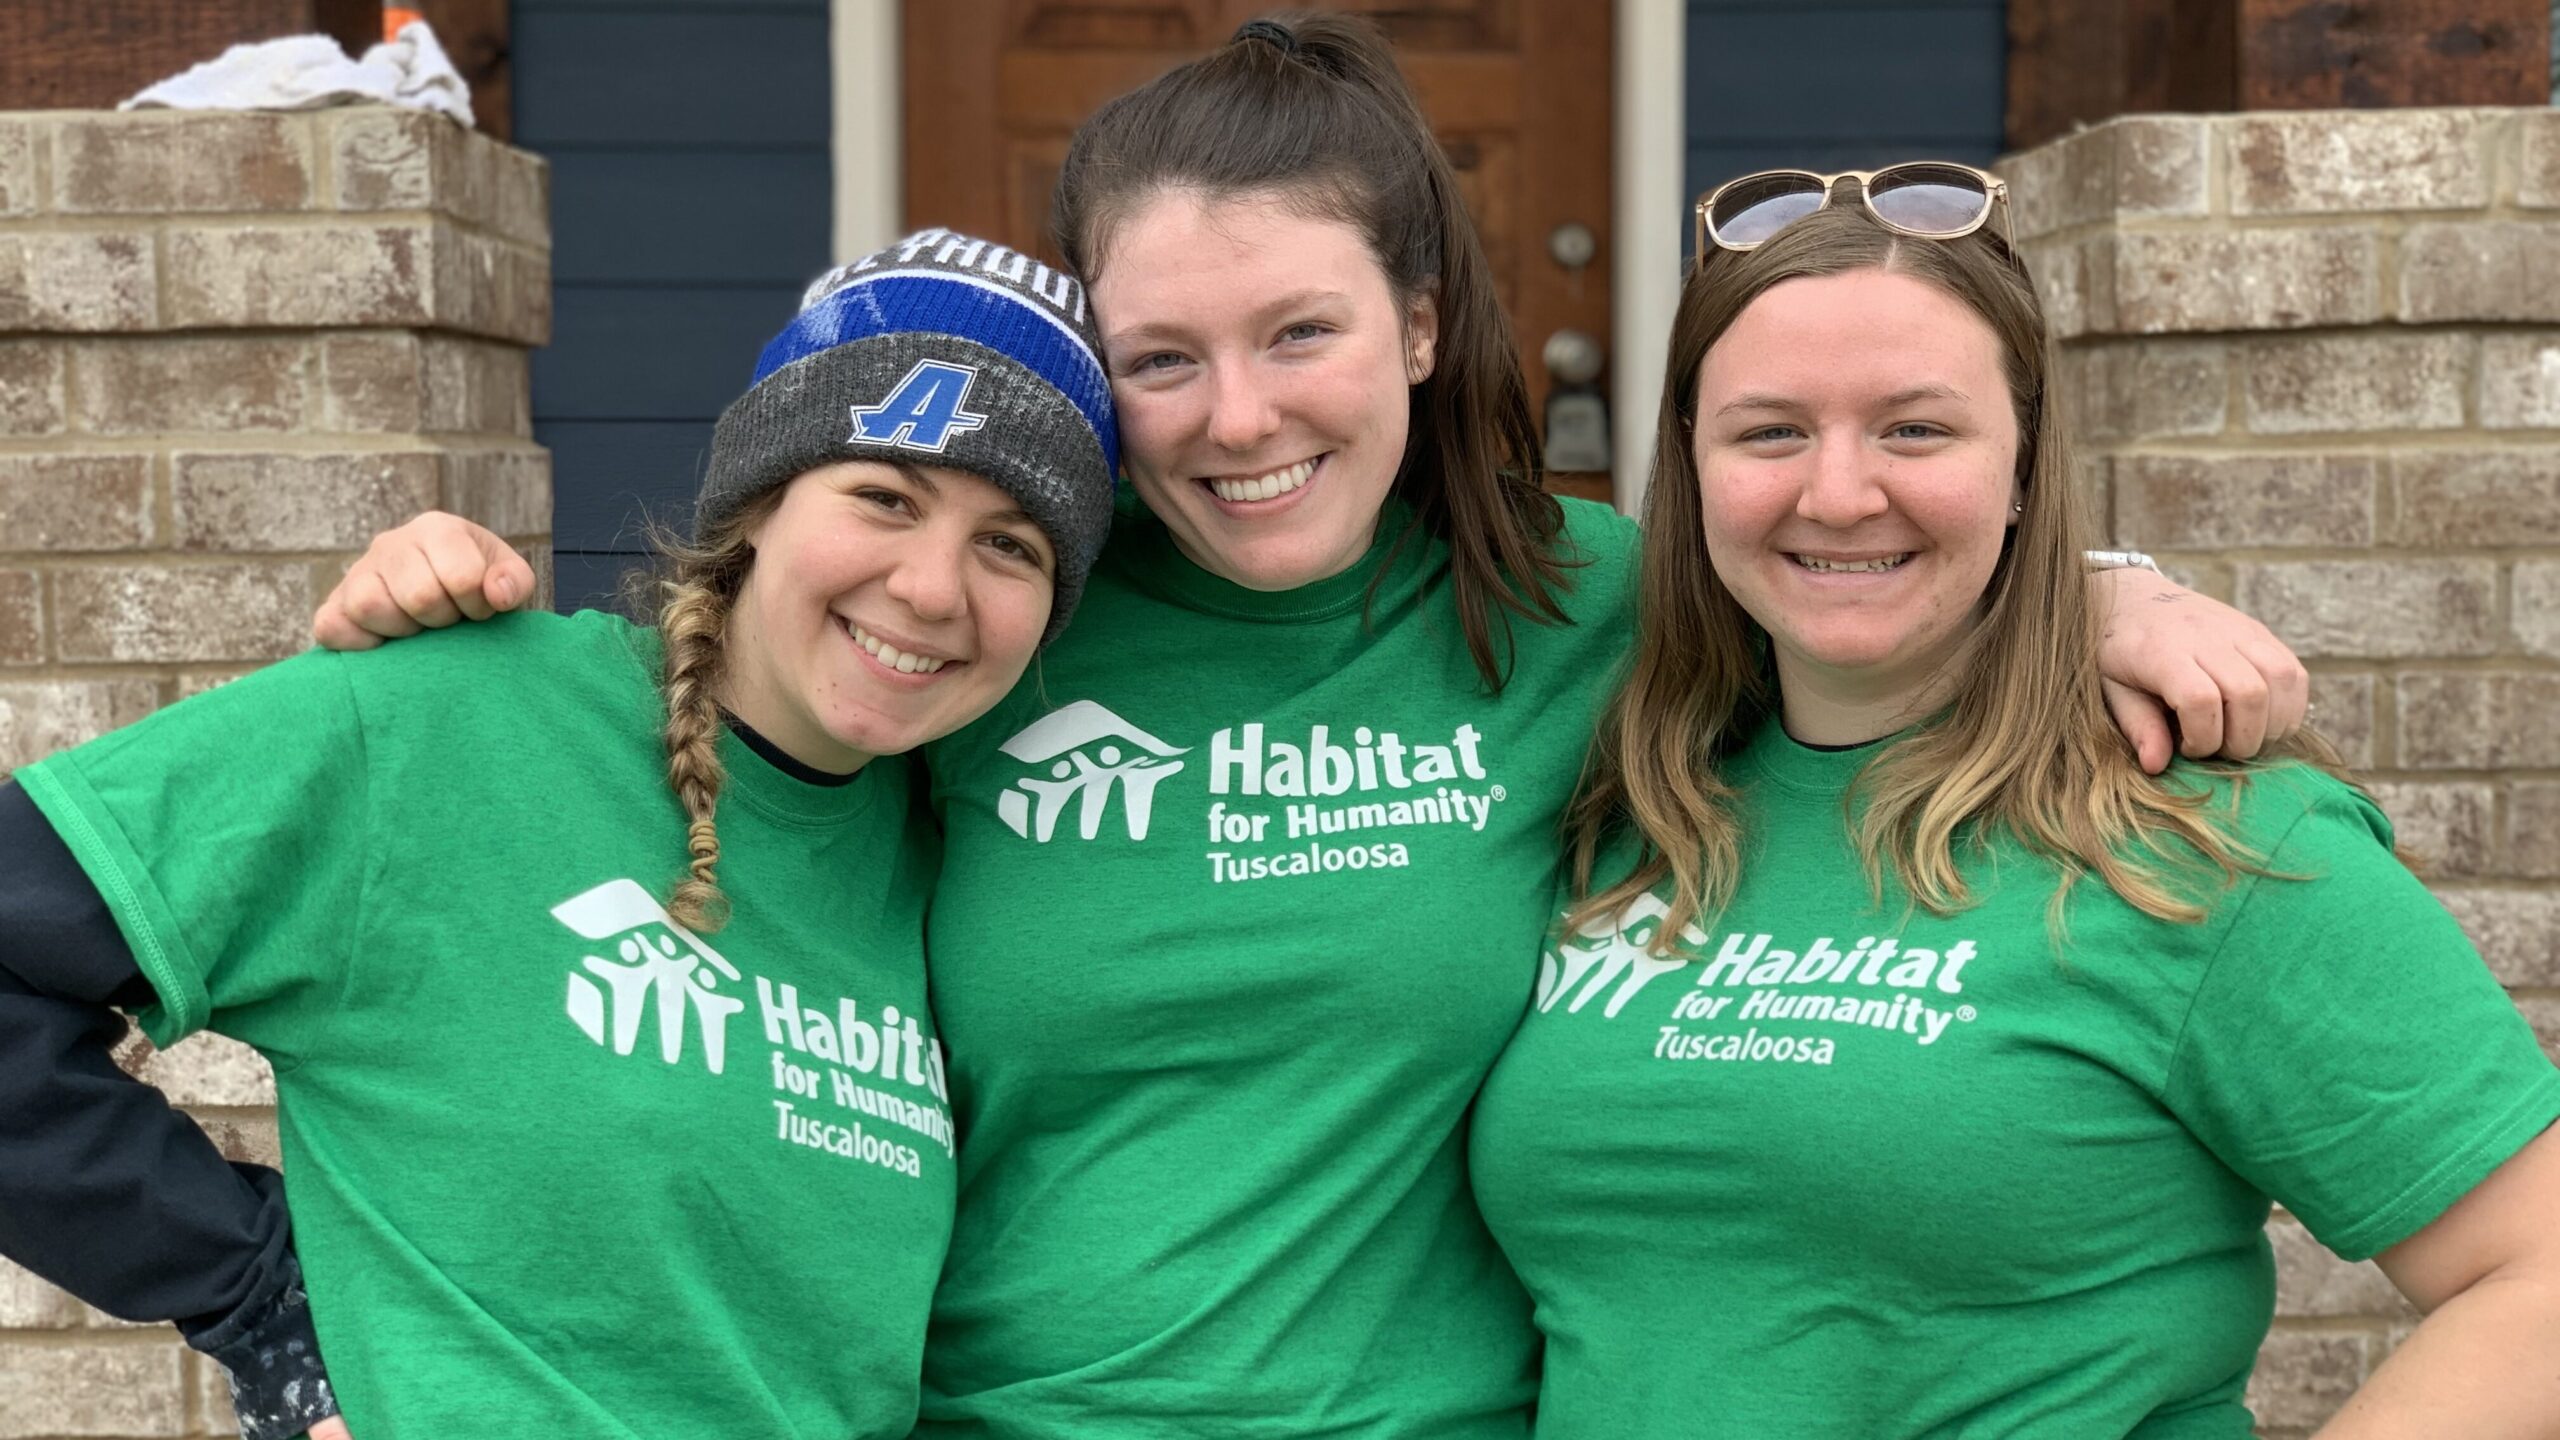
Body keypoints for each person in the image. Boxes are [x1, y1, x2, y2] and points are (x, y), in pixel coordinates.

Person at [299, 19, 2315, 1437]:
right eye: (1159, 359)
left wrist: (2104, 583)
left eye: (1299, 335)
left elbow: (1841, 546)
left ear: (1422, 327)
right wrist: (445, 601)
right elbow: (717, 699)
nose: (1235, 420)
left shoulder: (1580, 607)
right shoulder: (998, 623)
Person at [1468, 167, 2560, 1436]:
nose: (1836, 492)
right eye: (1768, 431)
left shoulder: (2206, 839)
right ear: (1694, 467)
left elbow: (2532, 1275)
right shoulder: (1629, 800)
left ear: (2026, 461)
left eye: (1915, 430)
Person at [0, 232, 1119, 1439]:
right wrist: (254, 1288)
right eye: (885, 499)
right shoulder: (444, 717)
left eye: (1010, 543)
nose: (933, 588)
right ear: (758, 502)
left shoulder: (964, 863)